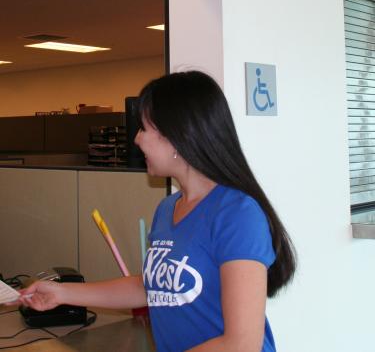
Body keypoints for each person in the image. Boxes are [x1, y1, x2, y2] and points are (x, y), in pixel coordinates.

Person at [19, 70, 296, 352]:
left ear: (176, 136)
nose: (137, 139)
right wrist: (62, 293)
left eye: (143, 128)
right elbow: (149, 288)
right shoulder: (167, 209)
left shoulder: (237, 214)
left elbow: (242, 344)